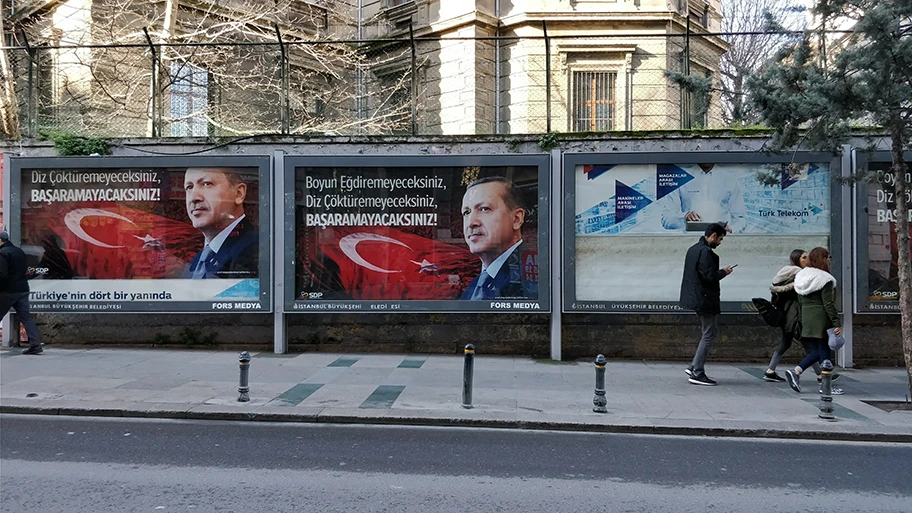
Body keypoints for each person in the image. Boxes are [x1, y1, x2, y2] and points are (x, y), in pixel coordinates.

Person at [459, 176, 534, 300]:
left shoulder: (535, 278)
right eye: (466, 212)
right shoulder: (473, 288)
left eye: (484, 209)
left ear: (517, 219)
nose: (471, 222)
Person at [680, 223, 734, 385]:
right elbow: (709, 277)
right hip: (704, 298)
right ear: (713, 236)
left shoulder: (694, 249)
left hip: (696, 298)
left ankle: (694, 366)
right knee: (708, 334)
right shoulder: (705, 252)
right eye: (720, 239)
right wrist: (724, 272)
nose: (720, 242)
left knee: (707, 333)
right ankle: (697, 372)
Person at [786, 247, 844, 395]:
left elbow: (799, 300)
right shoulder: (825, 279)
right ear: (822, 259)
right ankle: (797, 371)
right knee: (824, 351)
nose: (829, 260)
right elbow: (828, 303)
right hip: (822, 317)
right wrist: (836, 322)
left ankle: (814, 379)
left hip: (807, 317)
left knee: (821, 351)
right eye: (828, 257)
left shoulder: (801, 276)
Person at [182, 167, 259, 279]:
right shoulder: (197, 259)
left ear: (238, 193)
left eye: (206, 184)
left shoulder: (255, 251)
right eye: (189, 187)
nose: (194, 198)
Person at [660, 163, 747, 233]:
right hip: (689, 242)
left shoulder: (729, 180)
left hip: (720, 243)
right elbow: (666, 219)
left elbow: (741, 219)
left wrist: (731, 229)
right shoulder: (681, 178)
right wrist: (684, 217)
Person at [763, 249, 807, 381]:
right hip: (794, 315)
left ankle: (770, 371)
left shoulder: (784, 275)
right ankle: (821, 375)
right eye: (804, 257)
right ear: (797, 259)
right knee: (809, 345)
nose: (807, 259)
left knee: (785, 343)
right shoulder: (798, 274)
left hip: (786, 315)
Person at [0, 231, 44, 355]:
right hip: (23, 289)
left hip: (8, 291)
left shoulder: (2, 253)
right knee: (26, 318)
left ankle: (35, 346)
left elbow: (2, 275)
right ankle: (36, 345)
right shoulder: (19, 251)